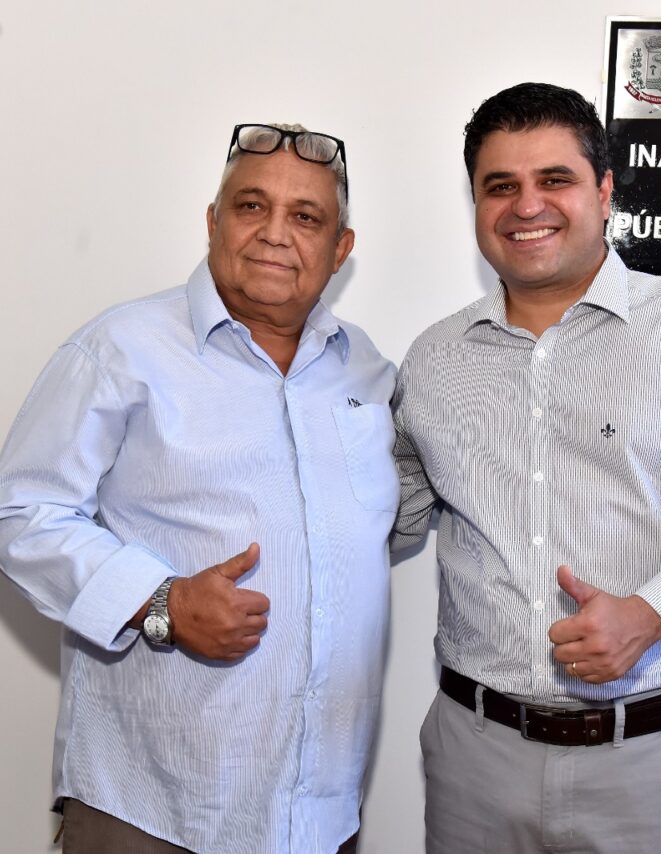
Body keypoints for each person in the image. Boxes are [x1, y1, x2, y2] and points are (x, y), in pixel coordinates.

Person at [391, 83, 661, 853]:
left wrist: (651, 614)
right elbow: (386, 512)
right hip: (474, 763)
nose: (527, 206)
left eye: (555, 179)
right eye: (500, 186)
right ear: (476, 202)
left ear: (605, 192)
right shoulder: (434, 360)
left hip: (648, 767)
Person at [0, 123, 398, 853]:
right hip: (152, 810)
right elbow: (20, 511)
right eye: (251, 206)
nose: (275, 233)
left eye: (306, 216)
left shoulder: (367, 370)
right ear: (213, 222)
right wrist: (162, 602)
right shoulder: (122, 348)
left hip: (318, 814)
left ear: (340, 249)